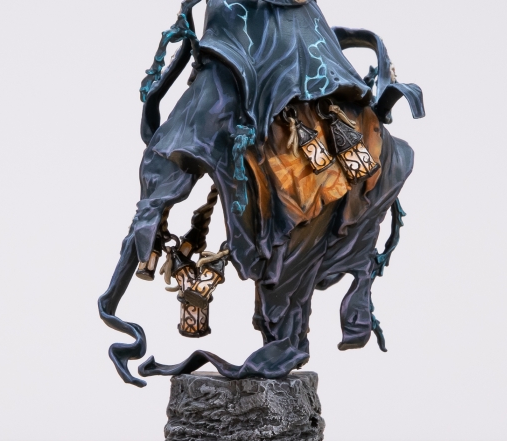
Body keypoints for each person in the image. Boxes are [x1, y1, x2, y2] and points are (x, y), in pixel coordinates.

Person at [99, 0, 425, 387]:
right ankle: (285, 333)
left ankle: (286, 335)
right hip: (273, 121)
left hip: (307, 130)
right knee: (284, 224)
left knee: (295, 224)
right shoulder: (232, 18)